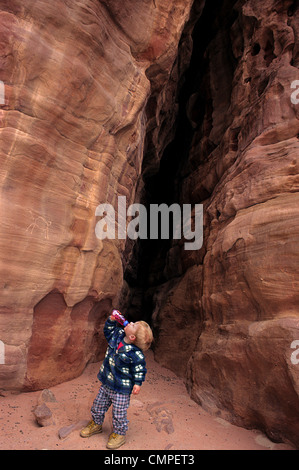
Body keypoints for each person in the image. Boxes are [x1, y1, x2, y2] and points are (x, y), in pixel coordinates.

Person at [80, 310, 153, 449]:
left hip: (121, 389)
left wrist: (138, 384)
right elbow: (108, 331)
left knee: (119, 412)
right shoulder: (118, 335)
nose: (130, 322)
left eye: (133, 325)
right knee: (98, 405)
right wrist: (111, 320)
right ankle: (96, 424)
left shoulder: (135, 354)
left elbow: (139, 369)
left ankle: (119, 434)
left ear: (132, 337)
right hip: (107, 381)